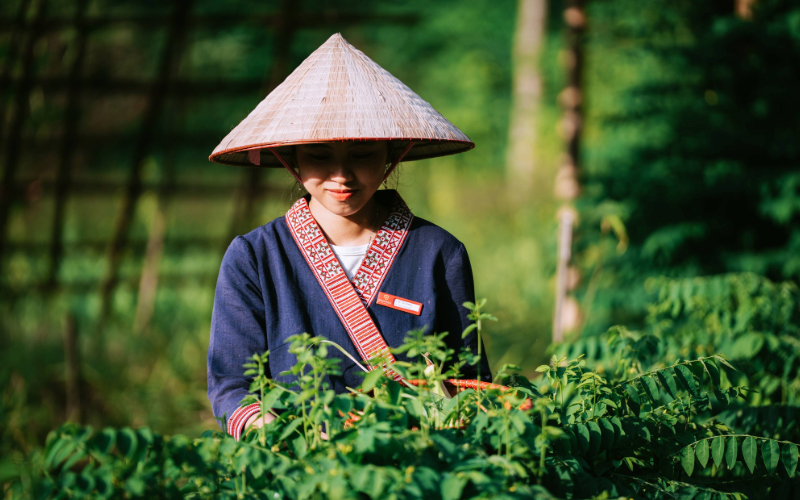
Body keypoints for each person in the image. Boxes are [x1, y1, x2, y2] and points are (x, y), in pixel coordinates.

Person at [207, 33, 491, 441]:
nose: (342, 176)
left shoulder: (438, 252)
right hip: (298, 462)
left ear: (392, 155)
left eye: (362, 155)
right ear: (291, 161)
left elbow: (470, 381)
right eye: (320, 156)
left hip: (418, 464)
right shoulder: (253, 257)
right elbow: (231, 385)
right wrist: (285, 435)